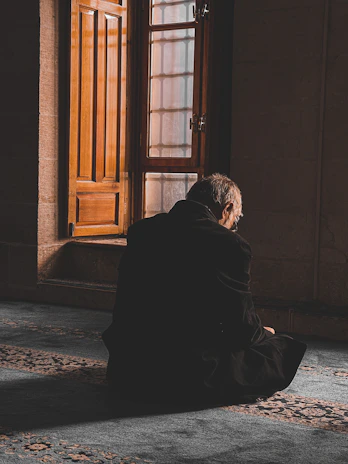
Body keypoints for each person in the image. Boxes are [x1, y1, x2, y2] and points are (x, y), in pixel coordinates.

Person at [102, 173, 307, 406]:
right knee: (282, 347)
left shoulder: (142, 230)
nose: (232, 227)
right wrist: (265, 334)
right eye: (234, 220)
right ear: (226, 209)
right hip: (183, 374)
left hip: (127, 367)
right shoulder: (228, 244)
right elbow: (242, 327)